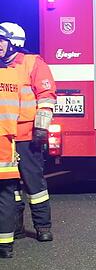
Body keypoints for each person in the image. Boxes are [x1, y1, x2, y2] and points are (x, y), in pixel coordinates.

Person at [0, 22, 56, 242]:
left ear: (14, 42)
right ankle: (15, 227)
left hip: (27, 136)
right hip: (5, 137)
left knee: (34, 184)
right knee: (9, 186)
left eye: (2, 41)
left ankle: (43, 227)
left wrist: (41, 127)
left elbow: (46, 96)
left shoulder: (32, 63)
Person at [0, 27, 30, 258]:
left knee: (6, 194)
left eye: (2, 40)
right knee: (6, 194)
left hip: (5, 142)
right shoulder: (14, 77)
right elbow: (23, 110)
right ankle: (5, 244)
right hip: (6, 143)